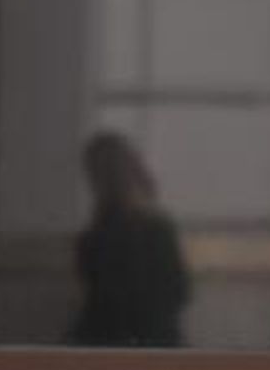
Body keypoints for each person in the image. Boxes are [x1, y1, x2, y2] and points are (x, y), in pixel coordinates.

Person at [69, 132, 189, 346]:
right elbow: (179, 291)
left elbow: (175, 291)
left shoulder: (101, 236)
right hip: (145, 344)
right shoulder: (153, 229)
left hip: (127, 345)